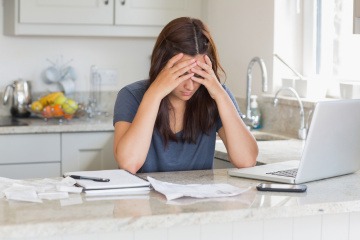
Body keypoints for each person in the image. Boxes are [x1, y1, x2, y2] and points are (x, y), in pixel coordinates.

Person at [113, 17, 258, 174]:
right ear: (162, 65)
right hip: (145, 198)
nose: (189, 86)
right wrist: (154, 94)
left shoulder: (216, 95)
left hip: (201, 198)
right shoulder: (131, 95)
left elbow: (247, 160)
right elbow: (128, 164)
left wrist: (221, 96)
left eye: (197, 75)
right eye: (182, 74)